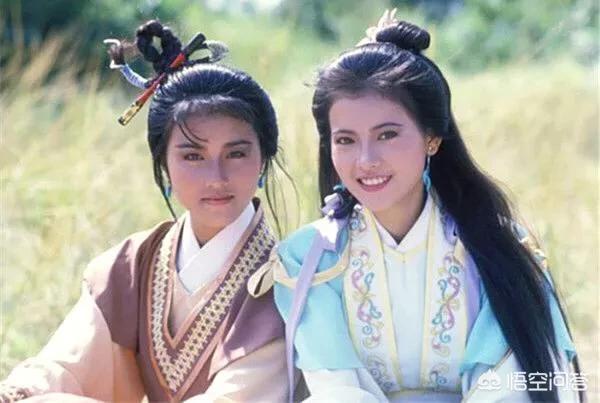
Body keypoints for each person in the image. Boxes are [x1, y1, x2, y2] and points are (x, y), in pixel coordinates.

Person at [253, 10, 584, 403]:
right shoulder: (309, 260)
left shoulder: (497, 247)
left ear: (432, 138)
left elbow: (510, 387)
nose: (366, 160)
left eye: (387, 135)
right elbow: (336, 391)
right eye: (346, 140)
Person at [0, 20, 288, 402]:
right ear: (164, 164)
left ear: (263, 160)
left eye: (236, 153)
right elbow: (64, 366)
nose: (216, 177)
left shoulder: (287, 281)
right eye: (193, 156)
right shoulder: (132, 265)